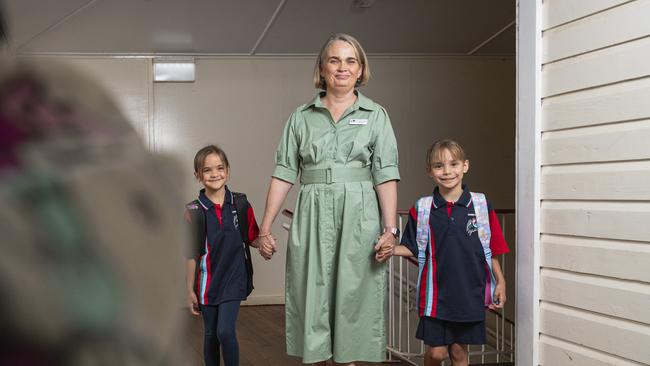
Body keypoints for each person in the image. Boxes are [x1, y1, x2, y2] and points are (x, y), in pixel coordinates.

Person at [256, 33, 400, 365]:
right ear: (322, 68)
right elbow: (283, 173)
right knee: (312, 291)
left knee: (355, 291)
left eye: (351, 60)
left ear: (361, 68)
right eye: (334, 60)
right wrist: (265, 228)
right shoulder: (301, 116)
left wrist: (390, 230)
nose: (342, 67)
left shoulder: (376, 115)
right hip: (313, 208)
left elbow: (386, 174)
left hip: (360, 210)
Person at [385, 139, 509, 366]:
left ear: (465, 166)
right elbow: (412, 247)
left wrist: (500, 282)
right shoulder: (422, 208)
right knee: (436, 354)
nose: (447, 171)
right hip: (435, 296)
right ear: (429, 172)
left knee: (459, 354)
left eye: (453, 164)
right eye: (438, 166)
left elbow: (491, 250)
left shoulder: (480, 206)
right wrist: (390, 249)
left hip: (468, 294)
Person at [184, 145, 264, 366]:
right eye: (207, 170)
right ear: (198, 175)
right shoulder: (192, 211)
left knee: (225, 332)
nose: (214, 174)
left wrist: (264, 243)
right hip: (207, 283)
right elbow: (191, 255)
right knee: (210, 334)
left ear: (227, 171)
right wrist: (189, 289)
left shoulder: (241, 203)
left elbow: (252, 237)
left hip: (234, 278)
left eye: (219, 168)